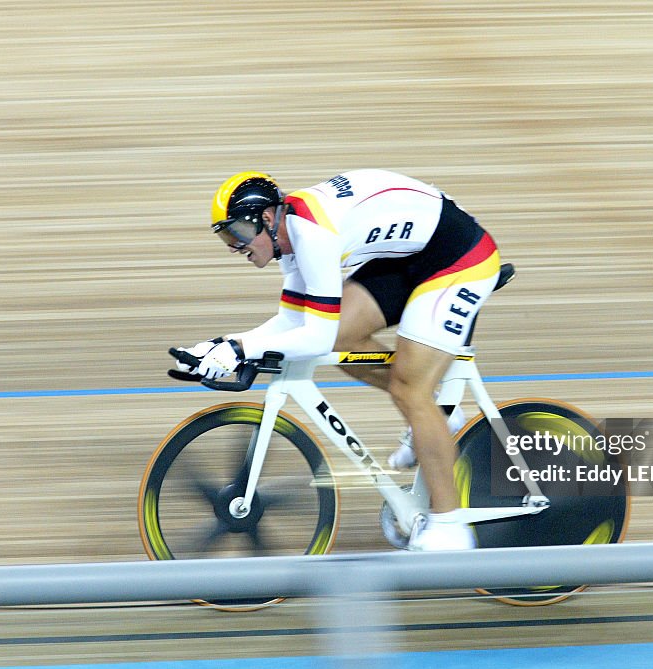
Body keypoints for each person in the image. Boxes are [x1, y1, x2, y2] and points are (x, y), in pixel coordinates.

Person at [176, 169, 500, 551]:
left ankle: (450, 527)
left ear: (266, 218)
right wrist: (222, 345)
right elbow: (292, 321)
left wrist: (240, 350)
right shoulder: (290, 234)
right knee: (345, 342)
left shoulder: (312, 234)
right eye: (226, 238)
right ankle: (437, 411)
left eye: (238, 234)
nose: (236, 247)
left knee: (409, 389)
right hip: (413, 254)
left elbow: (316, 335)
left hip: (459, 259)